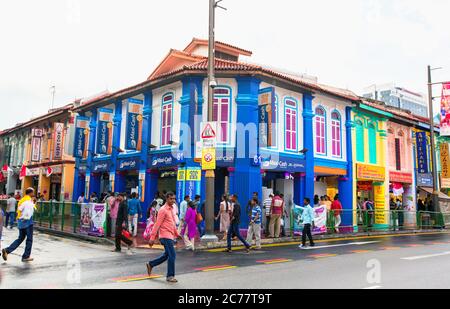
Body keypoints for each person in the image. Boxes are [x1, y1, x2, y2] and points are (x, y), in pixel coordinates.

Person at [147, 192, 180, 283]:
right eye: (171, 199)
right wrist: (152, 237)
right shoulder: (163, 210)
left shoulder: (171, 209)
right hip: (165, 236)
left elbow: (172, 224)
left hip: (170, 235)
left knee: (167, 255)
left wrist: (176, 234)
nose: (173, 200)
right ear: (166, 199)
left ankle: (151, 264)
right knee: (172, 255)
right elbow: (157, 224)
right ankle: (170, 276)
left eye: (174, 199)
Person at [2, 188, 36, 263]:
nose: (34, 193)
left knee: (20, 238)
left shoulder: (22, 200)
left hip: (21, 221)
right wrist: (25, 218)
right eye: (33, 192)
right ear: (30, 193)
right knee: (29, 239)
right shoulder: (28, 201)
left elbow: (20, 209)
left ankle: (7, 250)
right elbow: (29, 212)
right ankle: (26, 256)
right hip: (27, 221)